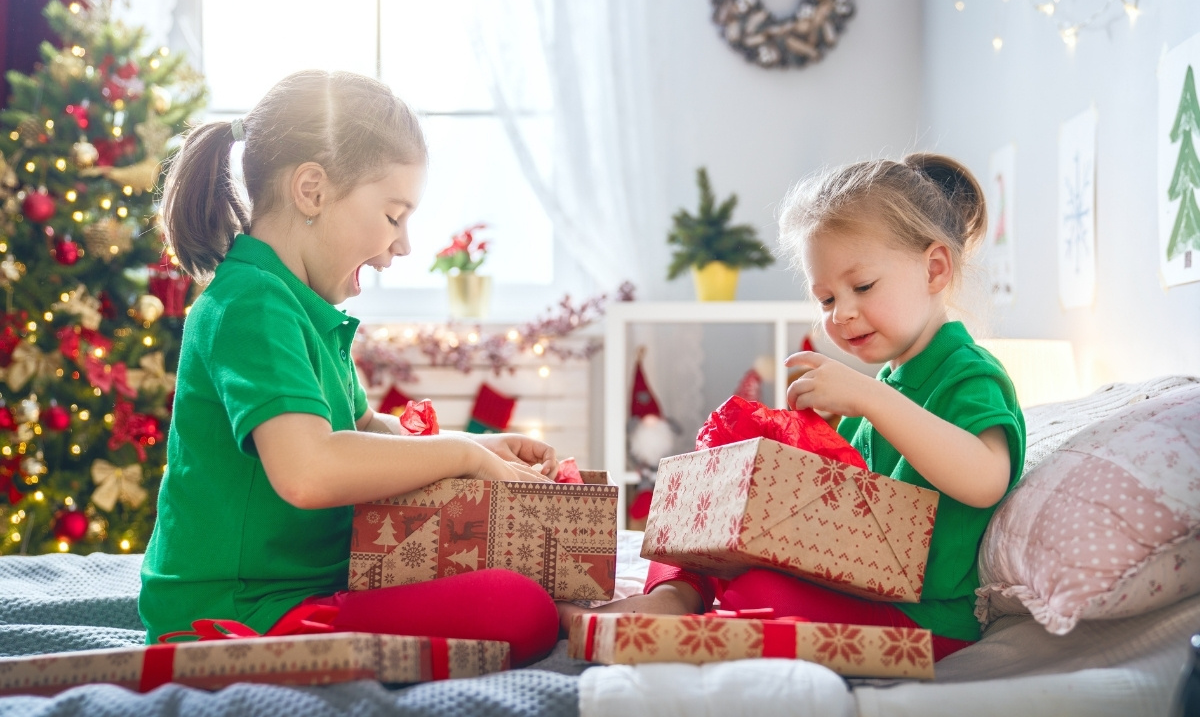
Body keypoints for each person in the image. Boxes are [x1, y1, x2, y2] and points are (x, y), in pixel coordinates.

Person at [140, 70, 561, 666]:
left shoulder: (298, 303)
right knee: (520, 610)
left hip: (307, 588)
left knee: (514, 588)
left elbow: (362, 429)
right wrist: (466, 458)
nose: (404, 244)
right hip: (239, 612)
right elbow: (308, 470)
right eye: (393, 216)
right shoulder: (251, 304)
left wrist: (485, 446)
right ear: (311, 190)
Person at [559, 153, 1025, 661]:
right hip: (864, 588)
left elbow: (985, 480)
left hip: (924, 621)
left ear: (934, 269)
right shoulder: (893, 380)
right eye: (825, 300)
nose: (842, 313)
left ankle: (689, 602)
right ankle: (674, 594)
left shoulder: (968, 373)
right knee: (702, 527)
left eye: (862, 286)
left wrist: (870, 398)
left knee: (757, 589)